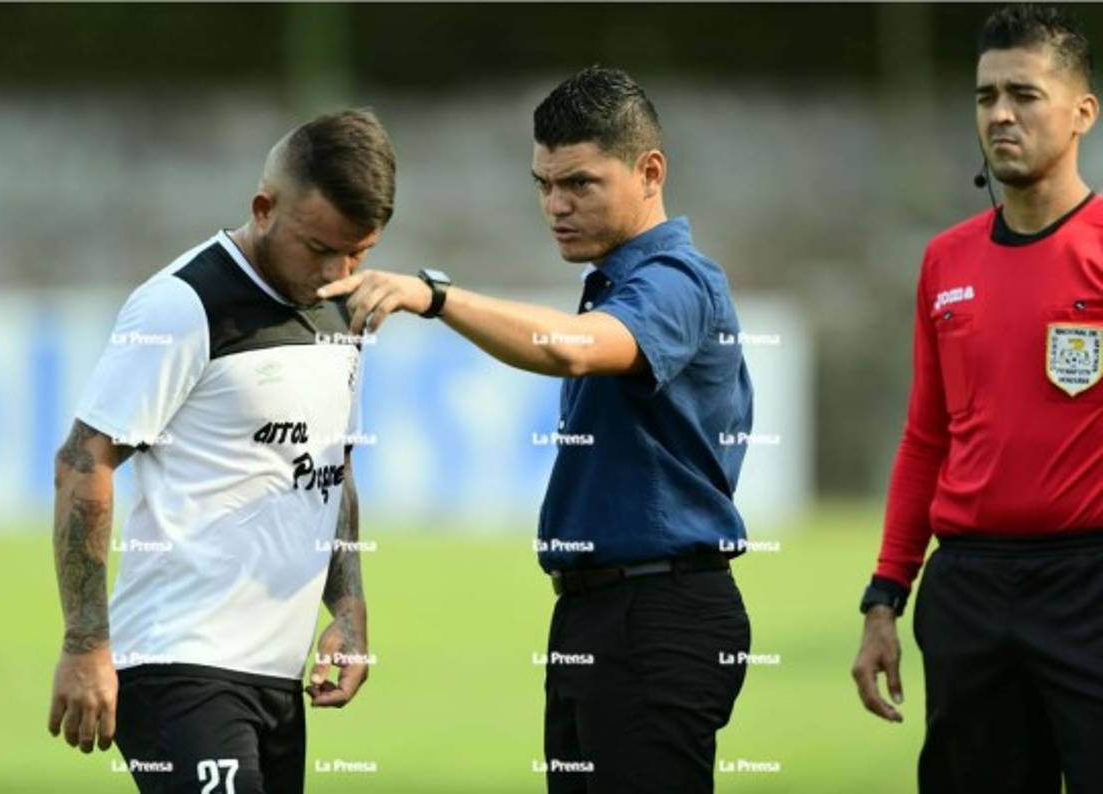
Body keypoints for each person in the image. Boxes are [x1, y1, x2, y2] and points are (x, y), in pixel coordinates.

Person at [319, 66, 754, 794]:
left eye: (579, 184)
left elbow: (572, 349)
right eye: (543, 185)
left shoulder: (679, 280)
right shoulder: (619, 282)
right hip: (599, 615)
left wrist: (433, 298)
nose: (555, 205)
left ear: (650, 172)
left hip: (658, 615)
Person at [46, 109, 395, 793]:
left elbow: (329, 469)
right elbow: (83, 462)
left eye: (359, 252)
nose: (338, 270)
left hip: (274, 677)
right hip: (181, 666)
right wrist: (86, 644)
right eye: (320, 247)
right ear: (263, 208)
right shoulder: (183, 305)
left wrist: (349, 613)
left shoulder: (344, 307)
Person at [851, 5, 1103, 791]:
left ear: (1082, 113)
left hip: (1089, 585)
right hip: (966, 591)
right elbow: (926, 437)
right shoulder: (944, 261)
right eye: (985, 95)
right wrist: (886, 595)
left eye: (1024, 94)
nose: (999, 113)